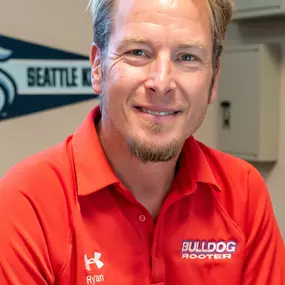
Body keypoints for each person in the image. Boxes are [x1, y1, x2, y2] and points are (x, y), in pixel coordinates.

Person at [0, 0, 284, 284]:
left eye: (187, 57)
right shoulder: (27, 202)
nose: (161, 82)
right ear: (98, 67)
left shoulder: (243, 193)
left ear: (214, 78)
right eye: (138, 52)